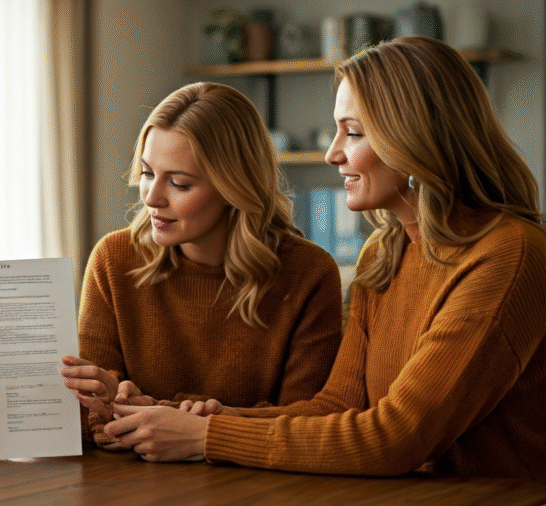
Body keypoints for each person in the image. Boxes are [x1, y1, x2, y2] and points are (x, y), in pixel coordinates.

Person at [100, 37, 546, 482]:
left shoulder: (508, 255)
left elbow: (396, 438)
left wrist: (205, 437)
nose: (333, 153)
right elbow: (334, 408)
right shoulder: (384, 253)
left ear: (415, 139)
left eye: (352, 133)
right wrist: (174, 419)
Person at [61, 81, 343, 446]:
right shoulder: (113, 260)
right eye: (147, 173)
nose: (151, 198)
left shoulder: (309, 274)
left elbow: (306, 421)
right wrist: (115, 407)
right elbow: (90, 420)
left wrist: (175, 420)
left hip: (262, 487)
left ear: (234, 187)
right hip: (134, 487)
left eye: (179, 183)